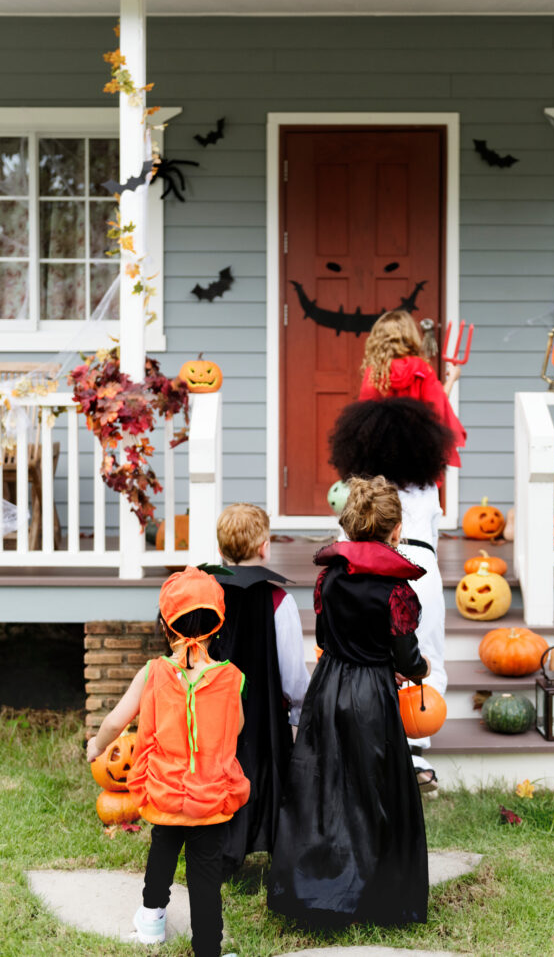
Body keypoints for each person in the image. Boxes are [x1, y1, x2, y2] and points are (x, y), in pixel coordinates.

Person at [267, 476, 431, 928]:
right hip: (371, 694)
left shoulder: (329, 578)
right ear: (395, 530)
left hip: (330, 685)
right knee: (374, 791)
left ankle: (318, 890)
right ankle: (374, 897)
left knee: (324, 789)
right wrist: (418, 670)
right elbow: (405, 655)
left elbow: (324, 638)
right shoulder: (397, 590)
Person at [86, 566, 249, 957]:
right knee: (204, 878)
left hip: (162, 793)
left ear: (165, 626)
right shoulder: (232, 678)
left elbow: (115, 721)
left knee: (160, 858)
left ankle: (151, 924)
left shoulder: (153, 673)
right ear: (218, 624)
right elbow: (237, 727)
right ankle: (208, 948)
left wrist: (96, 744)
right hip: (209, 800)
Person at [329, 396, 454, 794]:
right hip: (419, 565)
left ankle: (370, 747)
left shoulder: (359, 486)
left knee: (365, 651)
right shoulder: (427, 485)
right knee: (425, 651)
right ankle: (416, 750)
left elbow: (345, 529)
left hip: (362, 561)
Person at [206, 503, 309, 871]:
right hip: (263, 717)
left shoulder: (205, 595)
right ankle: (269, 842)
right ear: (265, 546)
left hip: (212, 715)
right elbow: (293, 672)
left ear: (219, 550)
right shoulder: (279, 601)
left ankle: (217, 847)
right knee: (263, 774)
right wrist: (298, 711)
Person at [358, 308, 466, 467]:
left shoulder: (374, 373)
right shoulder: (421, 369)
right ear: (410, 336)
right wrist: (451, 379)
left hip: (383, 457)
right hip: (418, 457)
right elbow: (437, 409)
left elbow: (365, 420)